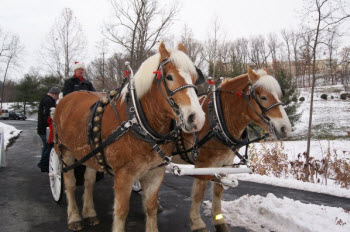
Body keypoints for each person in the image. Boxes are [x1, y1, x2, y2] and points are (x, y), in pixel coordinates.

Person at [62, 61, 99, 185]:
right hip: (73, 111)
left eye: (82, 70)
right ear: (75, 71)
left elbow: (95, 96)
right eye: (79, 70)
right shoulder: (69, 83)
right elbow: (66, 97)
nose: (81, 71)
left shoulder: (88, 83)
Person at [37, 86, 61, 172]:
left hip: (43, 128)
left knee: (46, 146)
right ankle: (44, 164)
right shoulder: (49, 101)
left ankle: (43, 163)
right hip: (46, 129)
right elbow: (48, 115)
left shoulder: (46, 99)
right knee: (48, 146)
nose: (58, 97)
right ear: (54, 94)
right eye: (57, 95)